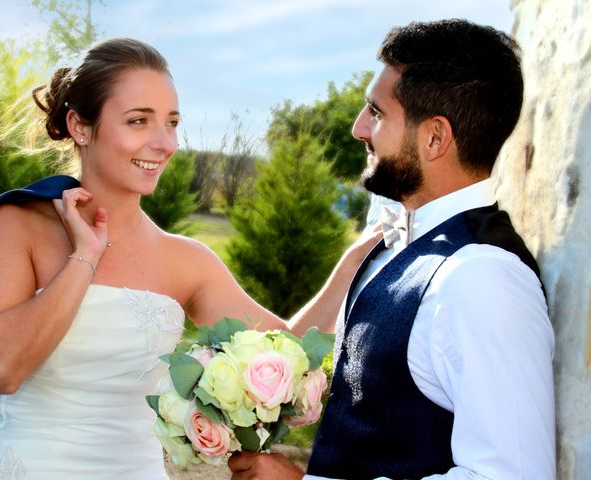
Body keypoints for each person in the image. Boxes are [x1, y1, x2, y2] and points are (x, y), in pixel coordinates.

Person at [0, 37, 380, 479]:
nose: (164, 143)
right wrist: (84, 257)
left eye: (172, 123)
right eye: (139, 121)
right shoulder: (14, 227)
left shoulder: (187, 260)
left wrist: (351, 265)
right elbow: (4, 370)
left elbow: (285, 353)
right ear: (80, 125)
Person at [228, 18, 555, 480]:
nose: (358, 128)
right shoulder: (390, 242)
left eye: (376, 113)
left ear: (435, 137)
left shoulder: (482, 277)